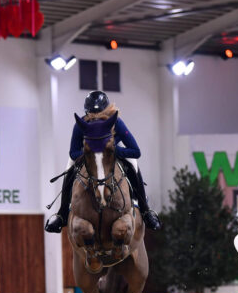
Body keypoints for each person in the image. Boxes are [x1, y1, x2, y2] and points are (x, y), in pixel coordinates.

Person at [45, 91, 161, 234]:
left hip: (112, 154)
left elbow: (135, 151)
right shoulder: (81, 125)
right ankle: (62, 214)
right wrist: (92, 154)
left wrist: (112, 151)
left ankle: (145, 210)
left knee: (133, 164)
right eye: (92, 116)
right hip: (89, 157)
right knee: (68, 169)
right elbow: (73, 152)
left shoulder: (116, 122)